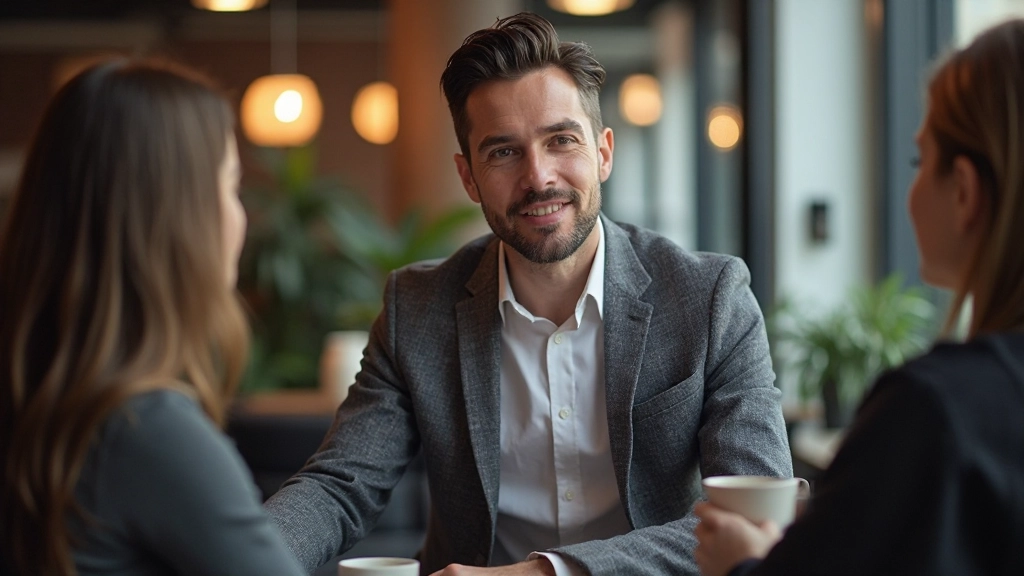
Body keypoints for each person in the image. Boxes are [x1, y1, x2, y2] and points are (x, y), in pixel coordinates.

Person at [265, 12, 792, 576]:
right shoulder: (416, 308)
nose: (539, 177)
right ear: (468, 178)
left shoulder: (709, 297)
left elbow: (753, 520)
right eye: (503, 152)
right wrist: (232, 557)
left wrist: (542, 573)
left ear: (604, 152)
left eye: (561, 140)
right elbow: (341, 485)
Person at [693, 18, 1024, 576]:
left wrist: (744, 565)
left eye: (920, 161)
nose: (910, 189)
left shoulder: (932, 413)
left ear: (964, 190)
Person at [0, 60, 305, 576]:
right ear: (177, 216)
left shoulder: (39, 400)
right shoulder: (148, 430)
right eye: (230, 186)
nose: (241, 215)